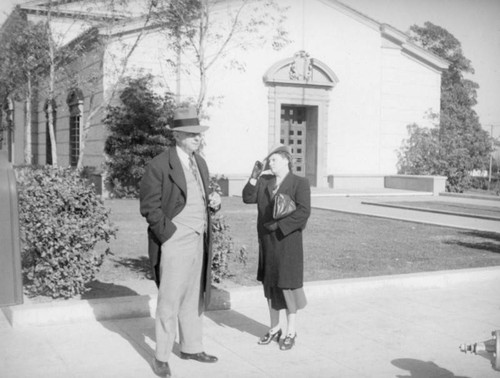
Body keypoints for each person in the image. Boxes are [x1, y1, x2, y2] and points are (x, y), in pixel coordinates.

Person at [139, 105, 221, 378]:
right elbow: (150, 208)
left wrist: (214, 203)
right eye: (191, 134)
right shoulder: (159, 165)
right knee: (169, 300)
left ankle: (191, 347)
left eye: (199, 134)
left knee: (193, 296)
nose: (198, 138)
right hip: (176, 238)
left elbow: (199, 196)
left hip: (200, 237)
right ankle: (161, 356)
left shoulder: (200, 162)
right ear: (176, 136)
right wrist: (169, 234)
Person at [242, 144, 311, 351]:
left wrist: (280, 226)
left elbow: (304, 212)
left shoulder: (299, 183)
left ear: (286, 160)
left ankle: (291, 331)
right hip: (267, 243)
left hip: (287, 242)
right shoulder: (264, 182)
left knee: (287, 286)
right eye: (269, 160)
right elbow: (247, 197)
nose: (270, 163)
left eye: (274, 160)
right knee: (271, 287)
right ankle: (274, 329)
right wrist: (254, 176)